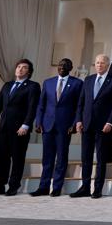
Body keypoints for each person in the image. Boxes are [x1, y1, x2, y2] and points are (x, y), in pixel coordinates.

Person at [0, 59, 40, 196]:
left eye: (24, 67)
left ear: (29, 72)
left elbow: (32, 108)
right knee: (2, 157)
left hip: (20, 129)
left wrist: (26, 125)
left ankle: (13, 186)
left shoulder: (33, 86)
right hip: (4, 128)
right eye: (18, 66)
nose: (20, 69)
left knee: (17, 158)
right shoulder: (7, 85)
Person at [71, 54, 112, 199]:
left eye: (102, 63)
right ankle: (85, 187)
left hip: (103, 125)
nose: (99, 65)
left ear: (107, 65)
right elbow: (81, 102)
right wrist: (79, 120)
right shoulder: (88, 79)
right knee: (85, 158)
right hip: (87, 124)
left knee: (100, 159)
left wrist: (110, 122)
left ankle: (97, 188)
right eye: (97, 63)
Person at [31, 58, 82, 197]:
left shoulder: (77, 83)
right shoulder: (48, 82)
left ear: (71, 68)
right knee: (47, 158)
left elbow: (79, 106)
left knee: (61, 158)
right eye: (60, 65)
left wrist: (74, 123)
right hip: (47, 125)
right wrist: (38, 122)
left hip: (65, 126)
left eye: (66, 65)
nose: (62, 67)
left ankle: (57, 187)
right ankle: (43, 187)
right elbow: (41, 105)